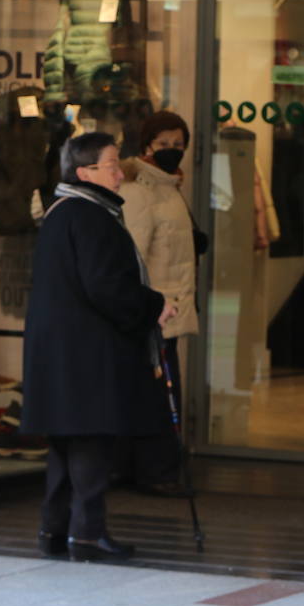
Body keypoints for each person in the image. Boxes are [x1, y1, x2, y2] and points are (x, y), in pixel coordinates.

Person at [21, 132, 178, 562]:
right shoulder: (91, 216)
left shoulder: (62, 213)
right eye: (111, 164)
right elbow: (107, 287)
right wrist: (155, 304)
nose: (118, 172)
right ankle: (87, 533)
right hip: (86, 355)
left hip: (62, 354)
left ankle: (54, 529)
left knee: (66, 446)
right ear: (84, 172)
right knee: (90, 446)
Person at [119, 111, 201, 497]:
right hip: (155, 309)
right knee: (159, 391)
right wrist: (145, 305)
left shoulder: (171, 187)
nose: (171, 152)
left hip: (171, 304)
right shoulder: (139, 190)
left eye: (178, 145)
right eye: (163, 145)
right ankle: (156, 471)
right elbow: (132, 255)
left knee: (159, 388)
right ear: (146, 145)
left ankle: (158, 469)